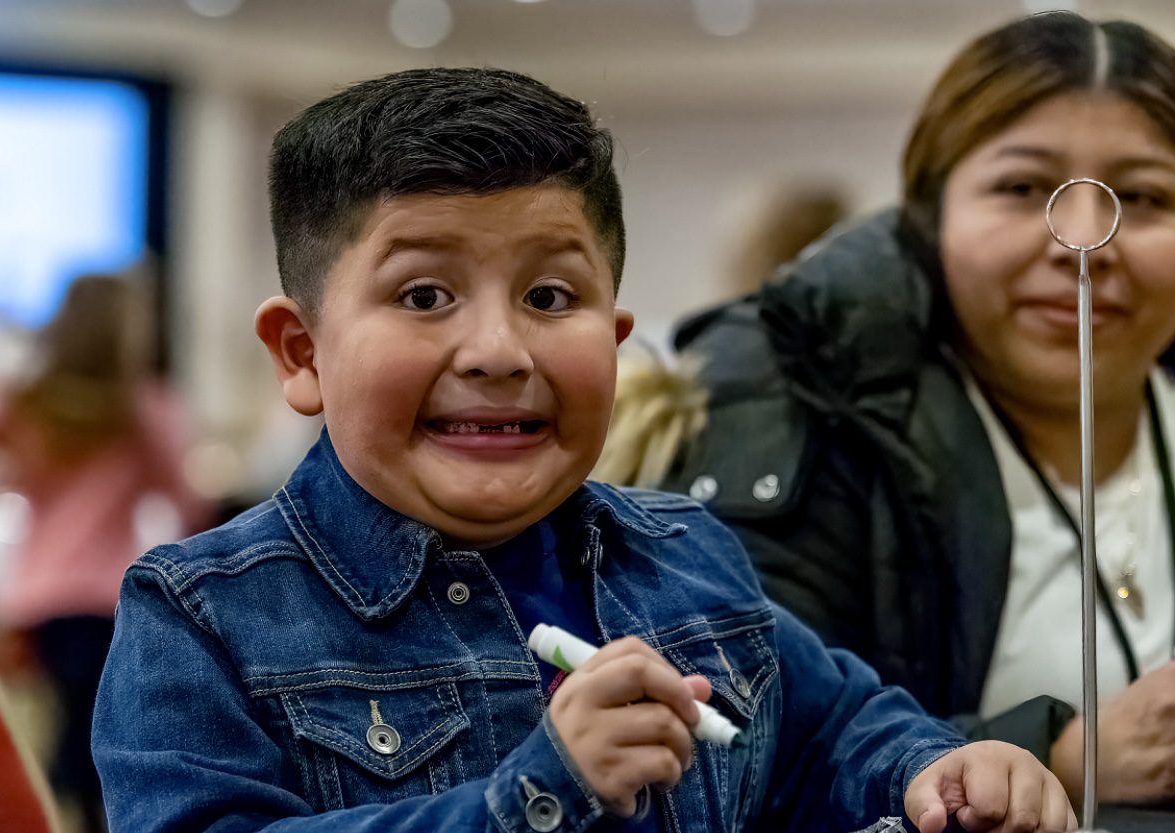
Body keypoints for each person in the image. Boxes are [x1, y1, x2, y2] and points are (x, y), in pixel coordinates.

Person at [91, 67, 1074, 833]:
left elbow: (836, 728)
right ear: (302, 354)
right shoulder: (204, 613)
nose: (498, 351)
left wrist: (939, 769)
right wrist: (533, 795)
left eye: (550, 297)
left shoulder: (687, 553)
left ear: (613, 337)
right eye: (424, 294)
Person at [655, 10, 1175, 809]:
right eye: (1022, 188)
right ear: (927, 223)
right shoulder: (811, 425)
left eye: (1139, 196)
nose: (1081, 243)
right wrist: (1061, 755)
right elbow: (745, 749)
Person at [0, 274, 210, 833]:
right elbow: (188, 502)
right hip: (106, 600)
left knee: (50, 734)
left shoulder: (26, 403)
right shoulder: (145, 410)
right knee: (97, 742)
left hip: (34, 601)